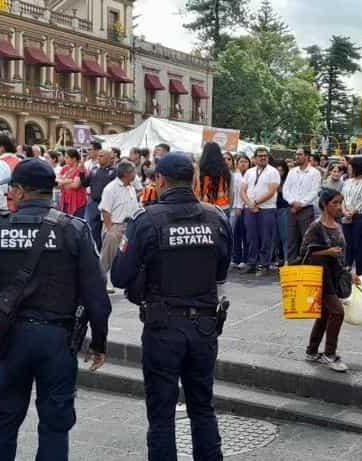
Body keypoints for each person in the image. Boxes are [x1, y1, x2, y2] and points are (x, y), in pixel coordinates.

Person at [0, 158, 112, 461]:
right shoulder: (74, 229)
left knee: (4, 423)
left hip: (9, 338)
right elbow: (97, 296)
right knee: (55, 426)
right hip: (57, 340)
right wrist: (98, 343)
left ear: (19, 191)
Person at [110, 153, 231, 460]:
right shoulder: (217, 217)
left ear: (160, 181)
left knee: (162, 413)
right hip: (204, 327)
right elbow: (220, 272)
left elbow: (120, 276)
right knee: (203, 407)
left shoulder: (146, 219)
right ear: (193, 179)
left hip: (162, 327)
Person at [303, 188, 358, 372]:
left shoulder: (338, 225)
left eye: (339, 203)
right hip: (319, 277)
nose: (338, 207)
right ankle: (329, 354)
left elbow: (341, 256)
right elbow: (303, 253)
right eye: (334, 203)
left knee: (325, 314)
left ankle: (312, 350)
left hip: (334, 276)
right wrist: (326, 252)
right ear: (325, 205)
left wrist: (349, 274)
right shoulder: (316, 227)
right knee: (337, 312)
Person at [240, 147, 281, 275]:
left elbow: (271, 191)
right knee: (251, 237)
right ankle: (251, 263)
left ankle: (264, 265)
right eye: (260, 156)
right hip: (250, 208)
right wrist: (250, 204)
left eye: (265, 156)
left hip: (267, 209)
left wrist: (256, 203)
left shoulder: (273, 172)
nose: (263, 158)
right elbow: (242, 190)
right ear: (255, 158)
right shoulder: (250, 172)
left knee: (266, 237)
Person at [99, 160, 141, 279]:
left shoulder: (131, 187)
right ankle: (101, 282)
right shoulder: (111, 188)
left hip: (129, 227)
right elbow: (105, 210)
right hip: (115, 226)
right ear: (126, 174)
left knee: (125, 256)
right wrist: (109, 230)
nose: (135, 175)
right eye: (133, 172)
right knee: (107, 257)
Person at [282, 147, 322, 264]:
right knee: (291, 240)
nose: (297, 157)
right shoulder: (292, 171)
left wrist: (302, 203)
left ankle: (306, 266)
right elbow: (286, 189)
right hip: (292, 209)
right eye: (296, 154)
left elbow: (314, 191)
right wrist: (292, 202)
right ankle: (291, 266)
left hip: (306, 209)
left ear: (307, 156)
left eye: (300, 154)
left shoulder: (315, 173)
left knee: (307, 239)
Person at [340, 157, 362, 276]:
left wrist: (353, 212)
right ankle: (347, 267)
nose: (348, 169)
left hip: (360, 217)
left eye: (350, 167)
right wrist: (344, 211)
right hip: (346, 216)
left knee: (359, 245)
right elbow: (343, 198)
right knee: (347, 243)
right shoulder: (347, 182)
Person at [85, 144, 117, 249]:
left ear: (108, 157)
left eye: (101, 156)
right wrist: (81, 173)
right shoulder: (94, 170)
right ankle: (94, 250)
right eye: (98, 156)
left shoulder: (115, 172)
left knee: (106, 231)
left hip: (107, 206)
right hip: (93, 204)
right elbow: (85, 183)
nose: (98, 158)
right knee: (92, 229)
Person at [0, 133, 20, 218]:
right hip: (19, 212)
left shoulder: (0, 164)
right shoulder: (19, 161)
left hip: (5, 214)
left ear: (1, 147)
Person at [197, 142, 232, 213]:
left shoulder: (200, 169)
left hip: (204, 205)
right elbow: (229, 190)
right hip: (222, 206)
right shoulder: (225, 170)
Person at [230, 155, 250, 269]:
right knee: (236, 234)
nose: (243, 164)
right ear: (237, 163)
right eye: (241, 162)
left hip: (247, 207)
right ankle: (236, 258)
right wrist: (238, 207)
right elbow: (236, 194)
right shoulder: (235, 176)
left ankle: (245, 258)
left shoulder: (251, 174)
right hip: (237, 207)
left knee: (245, 234)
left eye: (245, 162)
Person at [56, 148, 88, 218]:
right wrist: (69, 180)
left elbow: (75, 185)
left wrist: (63, 181)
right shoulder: (65, 168)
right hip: (65, 201)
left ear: (74, 159)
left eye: (67, 157)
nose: (65, 159)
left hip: (77, 202)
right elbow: (57, 182)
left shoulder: (81, 169)